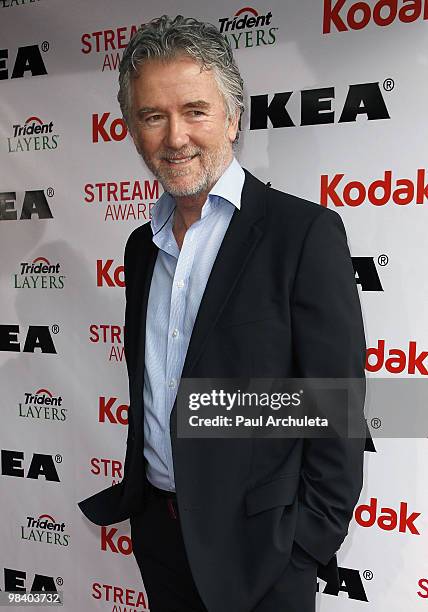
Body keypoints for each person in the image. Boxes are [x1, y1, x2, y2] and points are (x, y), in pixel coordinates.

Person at [79, 15, 366, 612]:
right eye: (153, 116)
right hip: (159, 536)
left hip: (263, 551)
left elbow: (334, 407)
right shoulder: (141, 246)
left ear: (234, 118)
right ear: (132, 131)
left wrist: (305, 545)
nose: (175, 137)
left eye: (195, 111)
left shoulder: (302, 235)